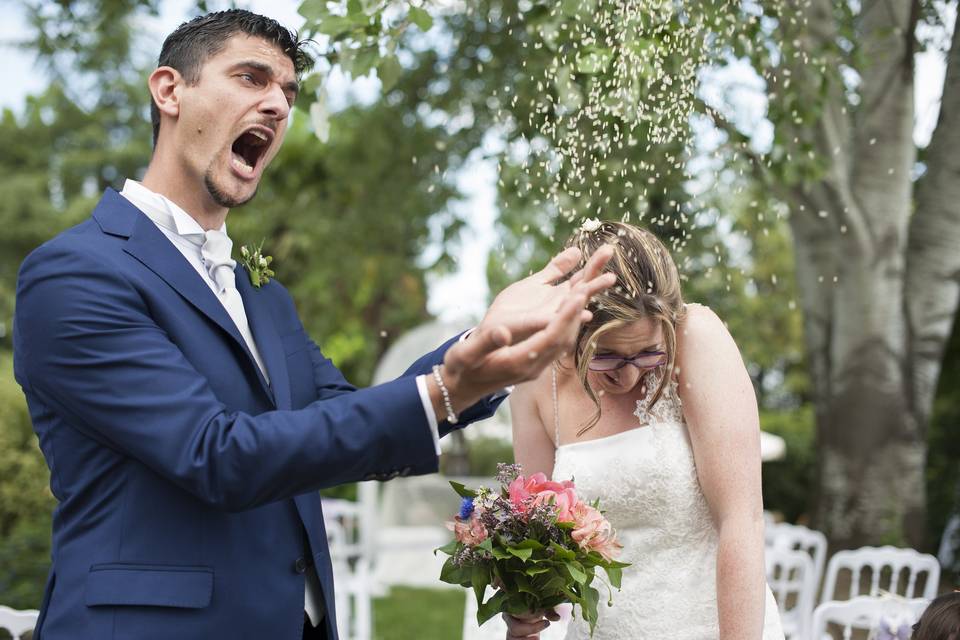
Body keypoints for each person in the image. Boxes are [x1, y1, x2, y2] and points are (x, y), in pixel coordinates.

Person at [11, 10, 615, 640]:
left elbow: (345, 416)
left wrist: (485, 340)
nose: (276, 103)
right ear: (169, 90)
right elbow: (215, 456)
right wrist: (442, 394)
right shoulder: (75, 273)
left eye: (288, 92)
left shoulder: (264, 296)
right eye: (251, 77)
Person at [504, 221, 785, 639]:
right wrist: (523, 607)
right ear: (570, 331)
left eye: (649, 352)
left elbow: (741, 521)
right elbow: (538, 539)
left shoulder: (697, 338)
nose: (631, 375)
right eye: (607, 356)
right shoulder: (536, 378)